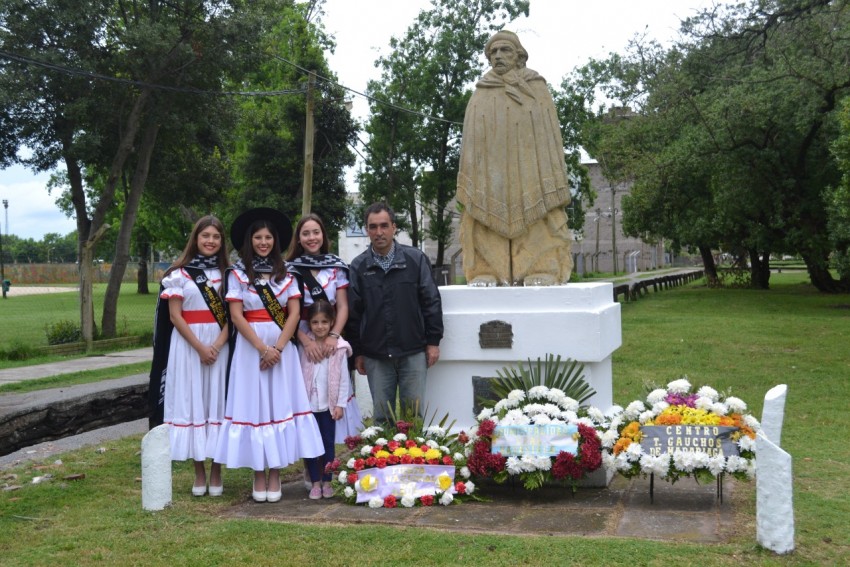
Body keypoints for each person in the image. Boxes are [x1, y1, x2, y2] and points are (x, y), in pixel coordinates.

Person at [213, 208, 323, 503]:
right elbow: (236, 316)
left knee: (277, 408)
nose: (264, 242)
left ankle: (275, 473)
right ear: (250, 241)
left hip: (281, 353)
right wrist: (262, 348)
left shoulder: (287, 273)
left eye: (268, 237)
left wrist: (277, 349)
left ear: (276, 241)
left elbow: (295, 312)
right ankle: (258, 473)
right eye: (258, 238)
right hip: (251, 354)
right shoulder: (237, 274)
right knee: (255, 409)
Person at [456, 30, 573, 286]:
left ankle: (542, 267)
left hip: (530, 166)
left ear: (519, 55)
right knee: (484, 215)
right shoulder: (482, 90)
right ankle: (487, 270)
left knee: (537, 213)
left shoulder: (536, 86)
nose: (498, 56)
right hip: (492, 171)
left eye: (505, 50)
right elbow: (472, 137)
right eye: (493, 52)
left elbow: (547, 131)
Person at [149, 215, 230, 497]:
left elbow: (234, 316)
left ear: (222, 242)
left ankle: (217, 471)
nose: (210, 241)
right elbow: (175, 316)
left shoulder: (229, 275)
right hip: (188, 347)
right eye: (205, 235)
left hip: (220, 346)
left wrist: (217, 346)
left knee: (216, 404)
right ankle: (199, 472)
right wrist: (199, 347)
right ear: (196, 238)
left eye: (216, 237)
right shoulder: (179, 274)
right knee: (195, 403)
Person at [345, 202, 444, 424]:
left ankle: (415, 460)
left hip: (413, 351)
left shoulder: (415, 259)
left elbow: (431, 301)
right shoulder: (358, 267)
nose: (379, 232)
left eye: (384, 226)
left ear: (394, 227)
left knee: (413, 418)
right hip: (375, 354)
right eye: (373, 227)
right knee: (382, 419)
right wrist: (358, 352)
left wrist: (433, 341)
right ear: (367, 229)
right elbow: (354, 314)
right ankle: (385, 461)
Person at [286, 213, 362, 443]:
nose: (311, 237)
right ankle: (310, 464)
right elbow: (286, 312)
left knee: (333, 387)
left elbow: (342, 306)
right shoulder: (290, 269)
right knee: (307, 393)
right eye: (306, 233)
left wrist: (333, 336)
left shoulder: (336, 267)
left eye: (316, 232)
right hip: (301, 336)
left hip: (329, 335)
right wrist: (305, 341)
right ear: (298, 238)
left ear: (323, 235)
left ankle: (329, 461)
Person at [298, 299, 352, 499]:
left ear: (332, 323)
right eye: (315, 322)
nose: (319, 327)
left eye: (324, 322)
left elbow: (344, 379)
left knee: (328, 443)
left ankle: (327, 481)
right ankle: (314, 482)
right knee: (310, 444)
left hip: (329, 408)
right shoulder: (305, 347)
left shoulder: (339, 348)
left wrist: (340, 404)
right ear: (309, 324)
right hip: (308, 406)